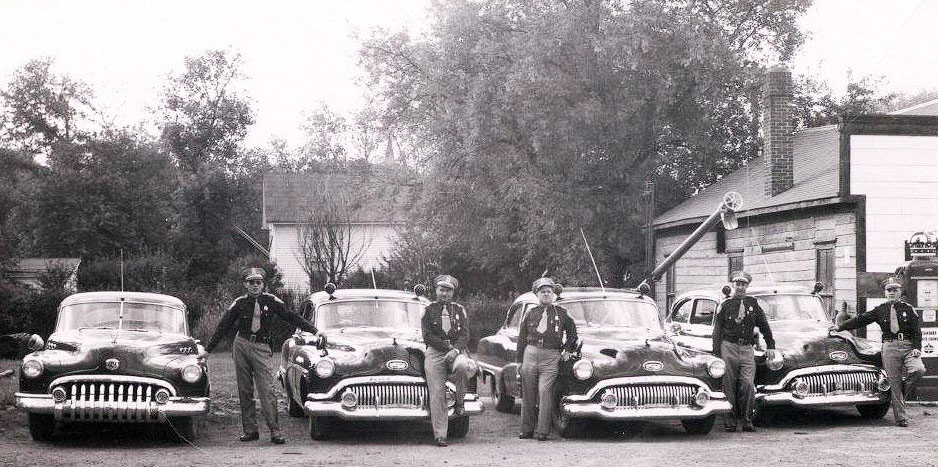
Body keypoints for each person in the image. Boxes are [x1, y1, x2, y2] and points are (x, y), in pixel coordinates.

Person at [204, 267, 318, 444]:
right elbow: (223, 326)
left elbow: (292, 317)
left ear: (263, 284)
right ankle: (250, 430)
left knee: (267, 389)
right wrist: (208, 349)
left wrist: (315, 331)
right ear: (245, 285)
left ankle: (275, 431)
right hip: (241, 344)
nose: (255, 285)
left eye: (258, 282)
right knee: (245, 389)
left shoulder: (271, 301)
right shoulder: (239, 303)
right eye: (251, 282)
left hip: (262, 347)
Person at [832, 276, 925, 427]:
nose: (891, 293)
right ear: (885, 293)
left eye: (895, 290)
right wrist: (839, 327)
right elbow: (860, 320)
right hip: (889, 347)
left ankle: (899, 392)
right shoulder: (880, 310)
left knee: (918, 370)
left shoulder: (908, 309)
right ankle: (901, 418)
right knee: (894, 382)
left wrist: (916, 348)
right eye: (889, 290)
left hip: (908, 346)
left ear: (900, 292)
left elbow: (917, 331)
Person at [712, 270, 775, 432]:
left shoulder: (753, 304)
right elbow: (717, 331)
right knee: (729, 384)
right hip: (728, 347)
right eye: (737, 284)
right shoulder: (725, 305)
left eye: (743, 284)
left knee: (748, 383)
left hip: (747, 348)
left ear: (747, 286)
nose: (740, 287)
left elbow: (764, 326)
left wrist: (771, 345)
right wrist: (717, 354)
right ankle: (730, 421)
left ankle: (747, 420)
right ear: (733, 285)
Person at [517, 277, 577, 441]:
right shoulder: (530, 312)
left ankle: (542, 431)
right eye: (542, 292)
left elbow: (573, 333)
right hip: (530, 352)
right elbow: (522, 337)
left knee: (545, 391)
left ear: (553, 294)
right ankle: (526, 429)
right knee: (528, 392)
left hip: (551, 355)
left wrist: (567, 349)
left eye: (548, 291)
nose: (546, 294)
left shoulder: (562, 313)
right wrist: (519, 361)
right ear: (537, 294)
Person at [421, 274, 474, 447]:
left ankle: (459, 402)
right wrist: (448, 349)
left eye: (448, 290)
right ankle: (440, 435)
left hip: (456, 351)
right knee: (437, 392)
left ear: (453, 293)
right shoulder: (428, 310)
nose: (444, 294)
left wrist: (456, 350)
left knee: (463, 366)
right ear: (436, 290)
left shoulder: (459, 310)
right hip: (436, 352)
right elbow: (427, 336)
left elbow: (465, 334)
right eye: (442, 289)